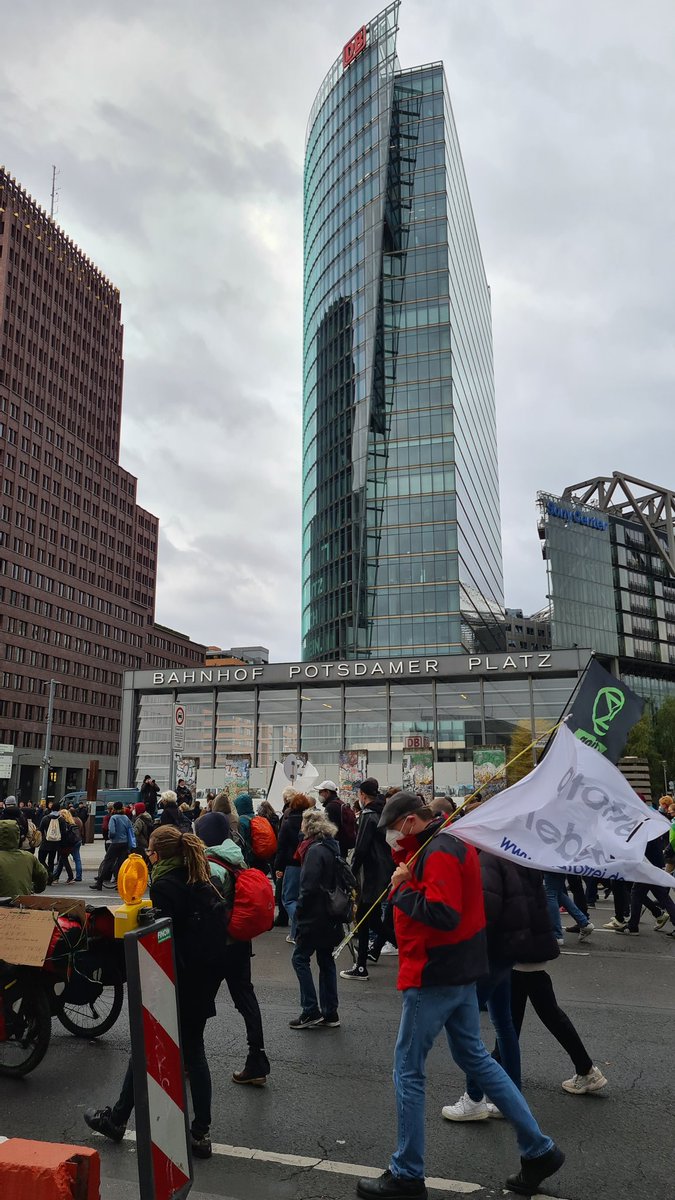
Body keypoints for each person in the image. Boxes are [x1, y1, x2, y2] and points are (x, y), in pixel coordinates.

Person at [355, 791, 564, 1200]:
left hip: (435, 972)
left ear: (412, 822)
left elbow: (444, 912)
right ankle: (538, 1149)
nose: (391, 837)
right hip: (459, 970)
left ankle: (407, 1173)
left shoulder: (441, 850)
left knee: (408, 1070)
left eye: (393, 829)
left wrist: (400, 890)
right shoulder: (445, 844)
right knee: (477, 1059)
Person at [84, 826, 224, 1158]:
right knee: (195, 1054)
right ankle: (200, 1133)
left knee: (144, 1046)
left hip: (180, 982)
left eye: (150, 851)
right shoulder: (201, 879)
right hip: (204, 981)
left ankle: (117, 1119)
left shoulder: (164, 885)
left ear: (158, 854)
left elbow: (166, 937)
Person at [443, 853, 607, 1120]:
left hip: (513, 952)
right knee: (521, 1020)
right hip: (527, 949)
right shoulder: (522, 857)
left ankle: (486, 1093)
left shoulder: (497, 859)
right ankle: (582, 1071)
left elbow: (493, 909)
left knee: (499, 1024)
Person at [206, 835, 271, 1085]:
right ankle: (257, 1061)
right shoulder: (237, 861)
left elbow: (209, 909)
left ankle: (190, 1060)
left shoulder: (212, 867)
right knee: (246, 1000)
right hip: (240, 944)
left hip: (218, 946)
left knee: (199, 1004)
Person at [289, 809, 343, 1030]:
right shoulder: (332, 847)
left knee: (300, 958)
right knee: (326, 960)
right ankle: (330, 1012)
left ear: (308, 827)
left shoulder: (313, 851)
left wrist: (299, 914)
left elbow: (308, 887)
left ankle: (310, 1010)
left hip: (315, 915)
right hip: (331, 913)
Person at [341, 778, 393, 980]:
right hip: (382, 869)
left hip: (369, 872)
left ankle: (361, 966)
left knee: (366, 917)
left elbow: (361, 846)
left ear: (363, 795)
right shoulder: (383, 812)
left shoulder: (368, 814)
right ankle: (361, 964)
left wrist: (352, 870)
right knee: (369, 918)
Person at [274, 792, 314, 943]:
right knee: (300, 897)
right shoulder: (310, 822)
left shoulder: (288, 822)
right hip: (308, 863)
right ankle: (294, 934)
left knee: (288, 899)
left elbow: (281, 846)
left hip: (292, 864)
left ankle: (299, 925)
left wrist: (278, 866)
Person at [90, 801, 134, 890]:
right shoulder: (126, 818)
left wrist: (111, 837)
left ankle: (99, 882)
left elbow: (112, 831)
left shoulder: (113, 818)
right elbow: (130, 831)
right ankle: (119, 884)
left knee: (108, 861)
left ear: (114, 808)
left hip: (116, 842)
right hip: (124, 843)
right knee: (121, 864)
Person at [0, 818, 48, 896]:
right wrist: (36, 888)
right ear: (17, 836)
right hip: (22, 902)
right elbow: (42, 874)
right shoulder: (28, 857)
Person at [543, 872, 594, 945]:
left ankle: (556, 936)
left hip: (552, 863)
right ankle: (584, 923)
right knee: (558, 893)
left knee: (551, 893)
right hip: (562, 864)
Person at [317, 780, 356, 857]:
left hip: (335, 848)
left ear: (327, 792)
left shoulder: (331, 807)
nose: (319, 795)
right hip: (343, 845)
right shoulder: (340, 803)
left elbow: (329, 830)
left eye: (320, 792)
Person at [53, 807, 83, 884]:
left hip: (64, 845)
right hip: (72, 843)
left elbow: (62, 835)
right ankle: (56, 877)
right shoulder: (72, 823)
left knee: (64, 860)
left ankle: (70, 877)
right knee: (63, 860)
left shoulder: (63, 823)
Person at [234, 793, 255, 863]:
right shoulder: (257, 818)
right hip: (260, 855)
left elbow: (240, 843)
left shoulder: (241, 821)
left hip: (249, 857)